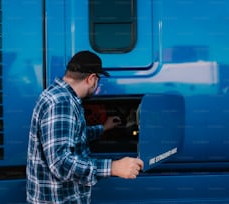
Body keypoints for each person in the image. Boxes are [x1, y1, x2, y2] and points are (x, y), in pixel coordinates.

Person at [26, 50, 144, 204]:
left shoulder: (57, 94)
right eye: (98, 80)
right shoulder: (62, 103)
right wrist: (113, 167)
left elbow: (71, 136)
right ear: (92, 79)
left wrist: (103, 128)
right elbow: (60, 164)